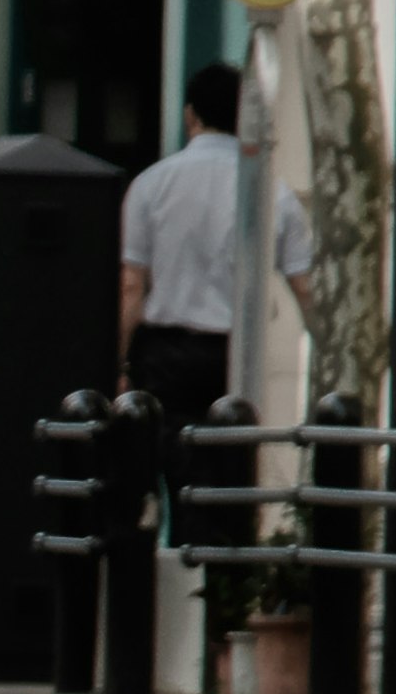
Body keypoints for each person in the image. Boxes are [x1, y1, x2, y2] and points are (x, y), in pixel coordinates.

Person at [118, 62, 303, 464]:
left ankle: (177, 524)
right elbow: (305, 288)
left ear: (190, 115)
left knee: (168, 461)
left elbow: (132, 285)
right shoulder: (275, 192)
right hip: (236, 352)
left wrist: (118, 361)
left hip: (166, 354)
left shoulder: (150, 184)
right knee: (231, 467)